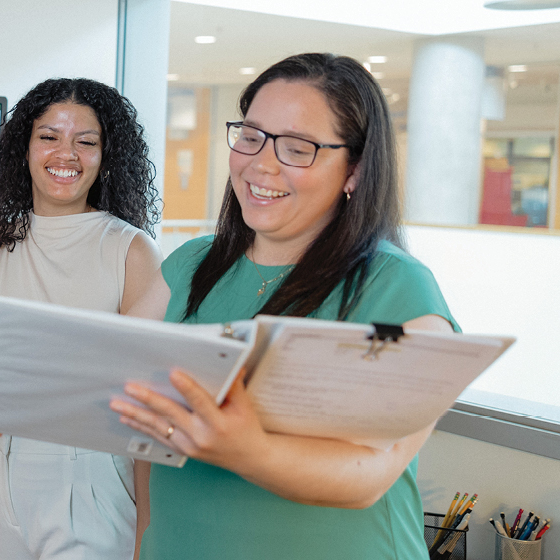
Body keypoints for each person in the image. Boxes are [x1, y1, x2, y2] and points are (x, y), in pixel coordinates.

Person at [110, 53, 459, 559]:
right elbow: (109, 384)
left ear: (355, 171)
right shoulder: (191, 265)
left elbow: (371, 475)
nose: (260, 164)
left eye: (297, 148)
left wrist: (250, 452)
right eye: (251, 137)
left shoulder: (398, 287)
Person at [0, 78, 167, 560]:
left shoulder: (129, 249)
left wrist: (146, 531)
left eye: (86, 141)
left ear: (106, 155)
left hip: (91, 477)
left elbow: (146, 408)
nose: (66, 153)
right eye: (49, 136)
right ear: (25, 147)